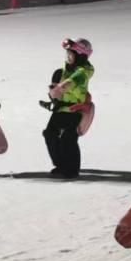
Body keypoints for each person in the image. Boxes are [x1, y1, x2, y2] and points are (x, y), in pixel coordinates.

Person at [43, 38, 95, 178]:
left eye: (71, 54)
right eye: (67, 54)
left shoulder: (84, 71)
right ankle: (60, 164)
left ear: (80, 56)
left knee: (68, 138)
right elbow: (57, 89)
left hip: (75, 110)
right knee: (50, 134)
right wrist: (53, 94)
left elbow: (72, 81)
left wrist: (60, 88)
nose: (68, 57)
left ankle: (72, 169)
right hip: (61, 108)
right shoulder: (65, 69)